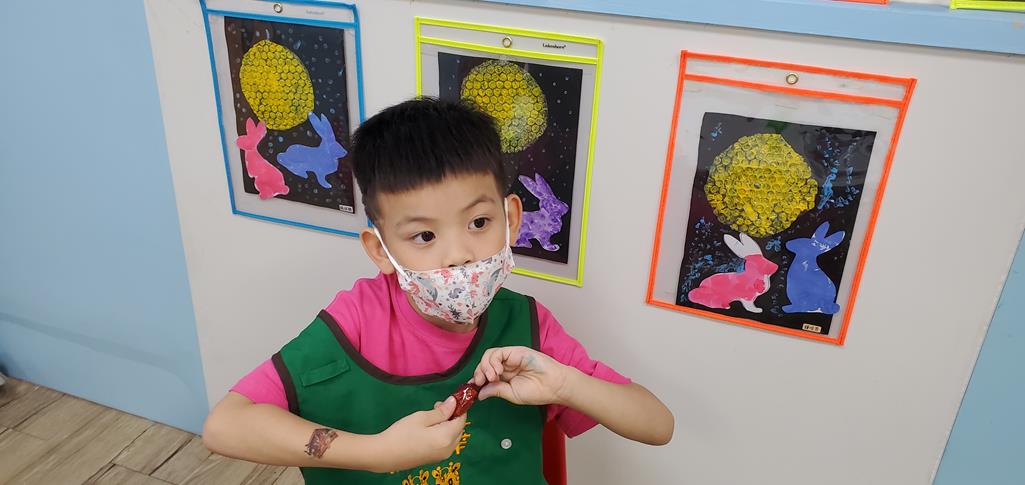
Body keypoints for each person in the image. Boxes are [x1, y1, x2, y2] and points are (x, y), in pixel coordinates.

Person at [202, 98, 674, 484]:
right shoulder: (357, 321)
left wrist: (567, 385)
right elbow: (226, 425)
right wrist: (377, 453)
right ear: (381, 250)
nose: (459, 254)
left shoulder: (529, 327)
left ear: (511, 219)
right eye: (425, 236)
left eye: (479, 223)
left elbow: (658, 425)